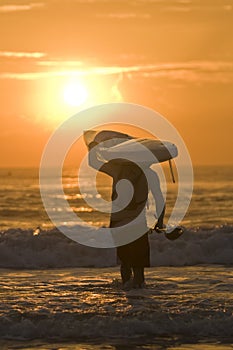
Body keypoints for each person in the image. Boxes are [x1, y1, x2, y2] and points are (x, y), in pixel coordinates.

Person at [87, 136, 165, 289]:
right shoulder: (150, 174)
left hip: (119, 222)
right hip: (138, 224)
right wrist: (160, 221)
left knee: (125, 263)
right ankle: (138, 296)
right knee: (139, 265)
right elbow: (159, 199)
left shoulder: (117, 170)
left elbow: (93, 162)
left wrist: (93, 148)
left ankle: (128, 293)